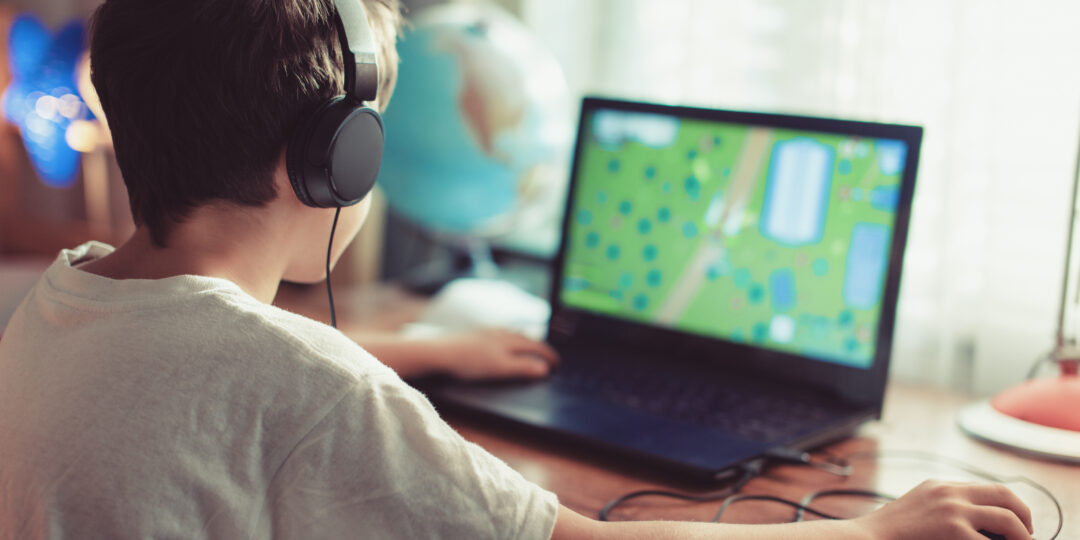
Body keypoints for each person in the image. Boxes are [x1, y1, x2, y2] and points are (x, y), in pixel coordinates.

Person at [0, 0, 1036, 538]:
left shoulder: (64, 295)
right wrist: (878, 533)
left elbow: (203, 371)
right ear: (332, 160)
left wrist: (423, 345)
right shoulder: (310, 390)